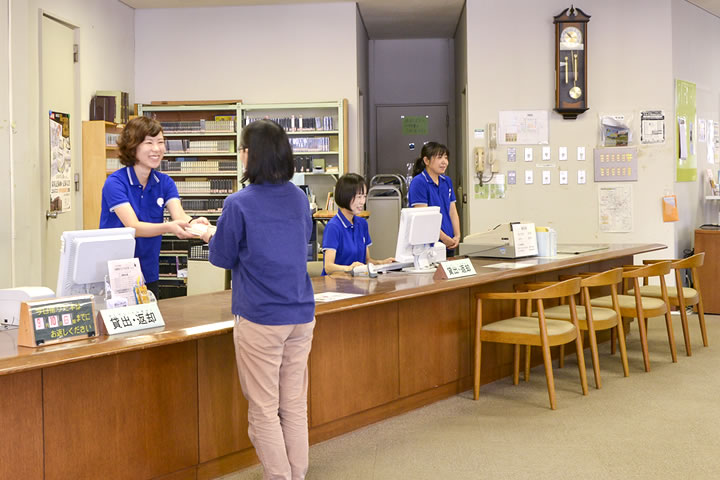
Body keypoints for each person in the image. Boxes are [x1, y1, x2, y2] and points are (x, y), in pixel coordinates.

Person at [201, 119, 315, 480]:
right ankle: (297, 474)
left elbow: (221, 257)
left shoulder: (238, 203)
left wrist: (208, 232)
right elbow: (295, 243)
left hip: (262, 318)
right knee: (294, 403)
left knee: (264, 408)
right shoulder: (298, 197)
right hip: (300, 313)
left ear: (251, 155)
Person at [99, 116, 207, 299]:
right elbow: (133, 227)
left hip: (148, 271)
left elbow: (179, 214)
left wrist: (193, 223)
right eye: (149, 143)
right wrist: (169, 227)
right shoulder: (115, 183)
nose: (157, 149)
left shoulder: (164, 182)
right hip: (117, 273)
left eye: (160, 142)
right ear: (133, 146)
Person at [321, 173, 394, 275]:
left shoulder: (362, 223)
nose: (362, 202)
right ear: (345, 196)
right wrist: (349, 269)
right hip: (336, 284)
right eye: (359, 197)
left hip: (357, 282)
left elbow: (367, 260)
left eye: (364, 196)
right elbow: (328, 267)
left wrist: (382, 263)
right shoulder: (333, 227)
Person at [408, 142, 461, 256]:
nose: (444, 162)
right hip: (428, 246)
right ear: (426, 161)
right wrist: (444, 238)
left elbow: (452, 211)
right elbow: (424, 218)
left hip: (449, 244)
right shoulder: (419, 182)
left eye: (446, 158)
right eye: (439, 157)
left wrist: (457, 235)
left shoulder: (447, 181)